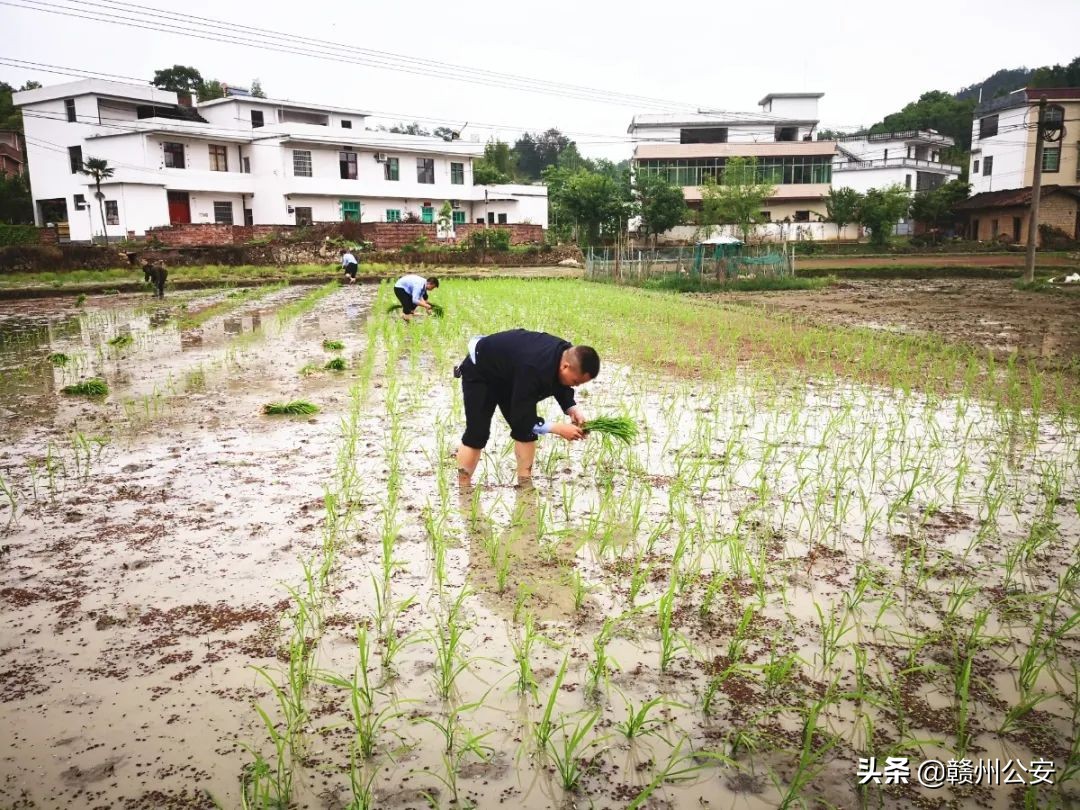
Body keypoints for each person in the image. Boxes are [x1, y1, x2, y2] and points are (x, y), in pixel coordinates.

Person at [454, 329, 599, 485]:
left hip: (510, 374)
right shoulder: (533, 368)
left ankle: (524, 485)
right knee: (477, 433)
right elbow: (523, 419)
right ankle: (464, 488)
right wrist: (557, 428)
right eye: (576, 381)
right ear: (565, 366)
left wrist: (572, 409)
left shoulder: (564, 353)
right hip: (481, 371)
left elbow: (560, 383)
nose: (575, 386)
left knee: (526, 433)